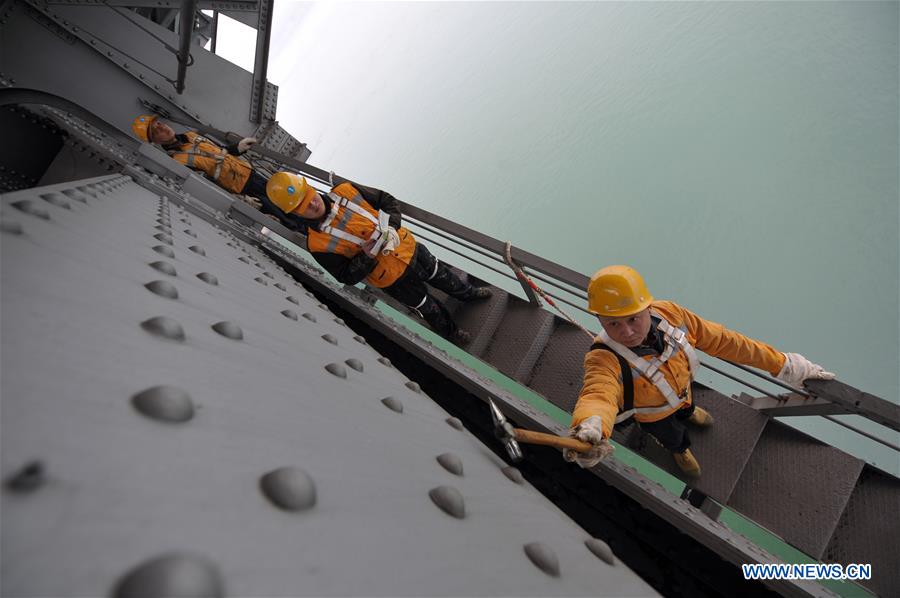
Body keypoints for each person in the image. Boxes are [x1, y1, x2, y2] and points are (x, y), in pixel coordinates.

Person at [564, 265, 834, 477]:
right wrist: (590, 424)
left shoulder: (672, 315)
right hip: (654, 415)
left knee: (686, 405)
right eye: (613, 325)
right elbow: (598, 394)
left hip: (682, 391)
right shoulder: (603, 358)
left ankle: (690, 412)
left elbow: (725, 341)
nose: (627, 332)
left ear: (648, 307)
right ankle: (680, 451)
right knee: (671, 435)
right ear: (599, 320)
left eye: (633, 319)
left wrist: (783, 365)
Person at [265, 171, 491, 344]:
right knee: (427, 307)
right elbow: (346, 276)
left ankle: (469, 295)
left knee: (441, 274)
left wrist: (392, 227)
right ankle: (452, 334)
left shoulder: (346, 190)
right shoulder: (317, 244)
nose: (312, 204)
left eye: (309, 196)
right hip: (393, 280)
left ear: (311, 188)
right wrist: (367, 257)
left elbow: (386, 200)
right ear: (293, 213)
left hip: (408, 248)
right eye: (302, 206)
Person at [130, 115, 300, 230]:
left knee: (290, 199)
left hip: (250, 173)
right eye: (156, 131)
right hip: (243, 190)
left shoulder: (191, 135)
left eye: (160, 124)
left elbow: (220, 152)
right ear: (154, 141)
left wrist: (238, 147)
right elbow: (208, 185)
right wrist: (240, 200)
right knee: (285, 217)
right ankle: (308, 231)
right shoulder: (178, 161)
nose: (163, 129)